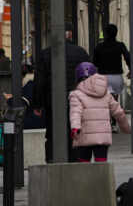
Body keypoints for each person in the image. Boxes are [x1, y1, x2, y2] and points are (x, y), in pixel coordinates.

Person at [32, 29, 91, 163]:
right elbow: (89, 76)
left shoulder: (45, 53)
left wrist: (37, 104)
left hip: (52, 99)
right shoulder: (80, 52)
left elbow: (39, 81)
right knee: (75, 128)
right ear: (70, 34)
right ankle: (75, 158)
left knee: (53, 130)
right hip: (77, 98)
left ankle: (53, 159)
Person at [68, 61, 128, 164]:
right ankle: (101, 179)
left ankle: (87, 180)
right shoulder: (106, 93)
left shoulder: (76, 94)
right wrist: (126, 128)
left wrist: (75, 128)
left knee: (84, 165)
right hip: (102, 137)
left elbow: (75, 113)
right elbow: (118, 112)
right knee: (101, 164)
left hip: (84, 137)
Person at [91, 24, 131, 99]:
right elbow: (128, 58)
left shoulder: (99, 46)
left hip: (103, 76)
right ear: (116, 33)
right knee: (114, 100)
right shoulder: (120, 45)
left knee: (104, 100)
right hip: (117, 76)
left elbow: (95, 63)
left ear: (105, 34)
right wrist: (130, 69)